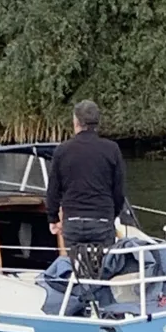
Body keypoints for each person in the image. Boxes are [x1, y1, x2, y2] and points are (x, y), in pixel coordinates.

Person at [46, 100, 125, 248]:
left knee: (77, 266)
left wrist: (53, 218)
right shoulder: (112, 149)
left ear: (76, 121)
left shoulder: (62, 151)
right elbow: (118, 191)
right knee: (104, 266)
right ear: (97, 122)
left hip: (73, 222)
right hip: (102, 220)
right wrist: (111, 215)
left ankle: (77, 270)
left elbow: (53, 190)